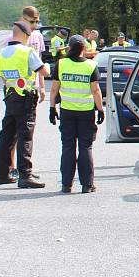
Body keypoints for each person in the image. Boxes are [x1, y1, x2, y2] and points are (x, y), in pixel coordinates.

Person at [0, 21, 50, 188]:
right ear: (26, 35)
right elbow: (44, 72)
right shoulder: (27, 52)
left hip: (10, 97)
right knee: (25, 136)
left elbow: (2, 77)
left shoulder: (2, 54)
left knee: (7, 136)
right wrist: (46, 64)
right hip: (26, 98)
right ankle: (25, 175)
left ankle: (2, 174)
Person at [49, 35, 105, 193]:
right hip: (86, 112)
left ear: (69, 47)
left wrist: (52, 108)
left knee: (68, 147)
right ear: (84, 49)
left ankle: (66, 184)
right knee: (85, 147)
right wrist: (100, 109)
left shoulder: (61, 64)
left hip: (67, 111)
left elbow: (54, 89)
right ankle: (87, 184)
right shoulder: (91, 65)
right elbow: (95, 90)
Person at [5, 6, 47, 104]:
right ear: (23, 20)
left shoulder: (38, 36)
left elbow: (39, 62)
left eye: (37, 22)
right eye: (32, 22)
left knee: (30, 118)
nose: (35, 25)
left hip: (32, 87)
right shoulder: (11, 38)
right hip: (15, 89)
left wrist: (42, 87)